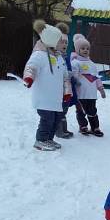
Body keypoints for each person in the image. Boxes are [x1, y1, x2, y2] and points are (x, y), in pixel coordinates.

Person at [23, 20, 71, 151]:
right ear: (50, 41)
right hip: (44, 97)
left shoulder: (59, 58)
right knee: (47, 119)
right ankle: (41, 140)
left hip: (56, 98)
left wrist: (67, 92)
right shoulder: (39, 55)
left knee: (56, 119)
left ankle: (49, 139)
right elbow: (31, 66)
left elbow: (65, 77)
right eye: (59, 41)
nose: (61, 43)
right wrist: (29, 77)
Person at [71, 33, 107, 137]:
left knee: (92, 111)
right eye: (82, 48)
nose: (85, 50)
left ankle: (95, 127)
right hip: (80, 93)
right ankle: (83, 126)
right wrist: (75, 80)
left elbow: (96, 77)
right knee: (81, 111)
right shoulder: (75, 62)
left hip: (91, 94)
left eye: (87, 48)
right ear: (77, 50)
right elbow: (73, 75)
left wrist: (101, 89)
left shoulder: (92, 64)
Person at [55, 22, 75, 139]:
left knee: (65, 108)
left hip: (67, 87)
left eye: (66, 42)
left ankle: (64, 128)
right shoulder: (55, 56)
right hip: (59, 87)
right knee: (60, 109)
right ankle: (58, 131)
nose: (64, 44)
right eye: (62, 42)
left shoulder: (65, 56)